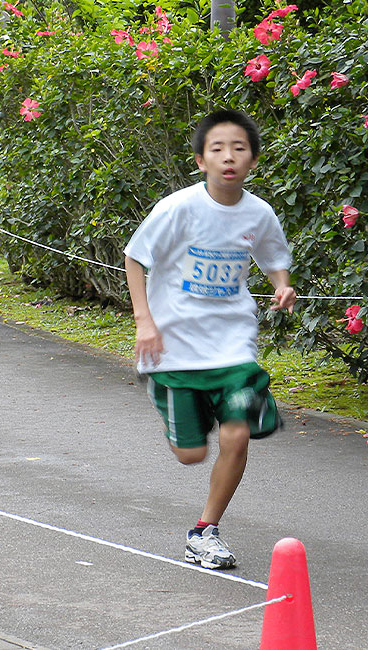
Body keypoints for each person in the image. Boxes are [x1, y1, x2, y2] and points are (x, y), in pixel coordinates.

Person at [124, 109, 296, 570]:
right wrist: (145, 321)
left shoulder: (258, 213)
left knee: (237, 436)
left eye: (238, 148)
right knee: (190, 454)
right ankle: (170, 394)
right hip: (175, 348)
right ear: (200, 160)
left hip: (232, 345)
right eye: (217, 148)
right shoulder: (177, 208)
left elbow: (273, 257)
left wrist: (281, 283)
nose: (228, 157)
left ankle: (204, 531)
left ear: (252, 160)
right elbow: (135, 258)